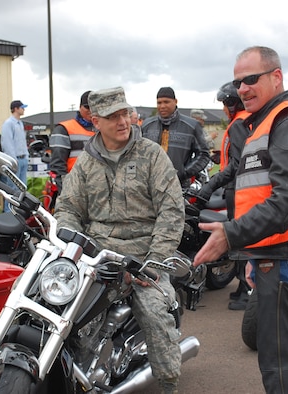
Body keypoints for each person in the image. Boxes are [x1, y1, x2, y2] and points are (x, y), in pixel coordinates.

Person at [193, 46, 288, 393]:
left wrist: (232, 234)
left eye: (251, 79)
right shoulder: (265, 124)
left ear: (277, 77)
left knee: (282, 368)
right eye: (238, 82)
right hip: (280, 255)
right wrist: (255, 255)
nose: (242, 89)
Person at [55, 87, 185, 394]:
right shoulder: (86, 162)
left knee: (156, 315)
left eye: (125, 113)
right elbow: (69, 208)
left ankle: (169, 383)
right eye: (113, 116)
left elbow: (171, 211)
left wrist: (154, 262)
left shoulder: (152, 155)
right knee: (60, 303)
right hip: (98, 256)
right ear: (95, 120)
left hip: (144, 254)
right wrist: (70, 243)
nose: (122, 121)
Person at [197, 82, 251, 310]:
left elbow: (238, 164)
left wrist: (210, 185)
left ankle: (246, 289)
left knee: (239, 238)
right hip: (241, 187)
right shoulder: (246, 120)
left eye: (224, 104)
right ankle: (244, 287)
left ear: (232, 103)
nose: (223, 109)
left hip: (237, 189)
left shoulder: (239, 123)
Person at [142, 87, 210, 188]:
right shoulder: (147, 125)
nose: (162, 106)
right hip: (150, 186)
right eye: (159, 103)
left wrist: (183, 173)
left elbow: (203, 155)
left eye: (166, 102)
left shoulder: (191, 126)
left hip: (180, 187)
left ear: (175, 101)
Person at [48, 91, 96, 199]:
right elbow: (57, 165)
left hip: (96, 187)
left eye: (94, 107)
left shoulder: (102, 129)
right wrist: (65, 192)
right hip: (73, 187)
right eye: (87, 107)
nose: (91, 111)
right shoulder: (64, 129)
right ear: (80, 107)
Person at [0, 100, 29, 211]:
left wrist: (26, 156)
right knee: (12, 187)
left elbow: (21, 142)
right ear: (16, 108)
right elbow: (7, 143)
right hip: (14, 160)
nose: (24, 109)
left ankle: (18, 210)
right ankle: (8, 211)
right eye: (22, 107)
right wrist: (13, 161)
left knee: (22, 188)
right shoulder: (9, 123)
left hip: (22, 158)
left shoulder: (20, 123)